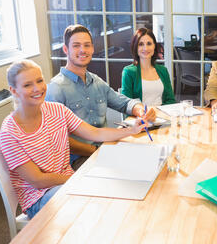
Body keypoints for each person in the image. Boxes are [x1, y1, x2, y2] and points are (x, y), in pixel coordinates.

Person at [0, 60, 145, 219]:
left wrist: (132, 130)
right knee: (97, 205)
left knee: (115, 188)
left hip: (69, 183)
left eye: (40, 81)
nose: (37, 88)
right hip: (39, 198)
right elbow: (38, 181)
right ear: (13, 90)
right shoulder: (10, 131)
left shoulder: (56, 110)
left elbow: (95, 133)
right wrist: (79, 178)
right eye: (27, 85)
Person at [45, 24, 155, 168]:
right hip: (79, 161)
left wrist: (141, 110)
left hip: (106, 149)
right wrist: (97, 150)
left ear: (92, 49)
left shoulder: (96, 81)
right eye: (76, 45)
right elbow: (59, 140)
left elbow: (124, 102)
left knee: (151, 160)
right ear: (66, 49)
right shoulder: (55, 88)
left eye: (87, 45)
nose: (83, 50)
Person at [121, 28, 176, 106]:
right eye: (141, 44)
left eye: (149, 43)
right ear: (135, 47)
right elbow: (126, 104)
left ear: (154, 46)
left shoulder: (163, 70)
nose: (145, 48)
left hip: (162, 116)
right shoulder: (129, 72)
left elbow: (171, 100)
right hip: (140, 116)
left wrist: (158, 113)